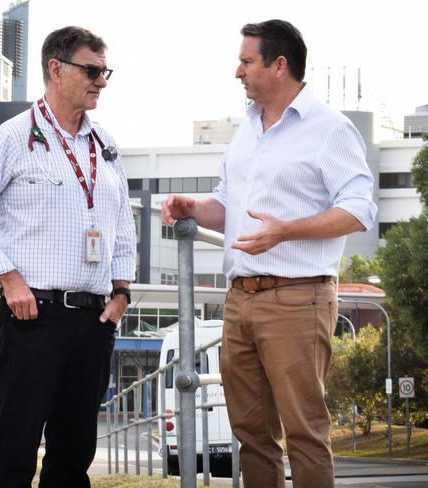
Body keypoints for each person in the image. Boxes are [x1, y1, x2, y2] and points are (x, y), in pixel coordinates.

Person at [162, 19, 376, 488]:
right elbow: (227, 204)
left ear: (279, 65)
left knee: (304, 433)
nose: (237, 71)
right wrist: (193, 207)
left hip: (299, 299)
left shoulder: (329, 129)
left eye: (246, 61)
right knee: (251, 435)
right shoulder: (247, 131)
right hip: (239, 301)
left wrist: (287, 232)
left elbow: (360, 210)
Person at [0, 26, 136, 488]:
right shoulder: (12, 138)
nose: (102, 82)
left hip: (94, 322)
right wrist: (9, 280)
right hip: (34, 317)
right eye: (92, 70)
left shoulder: (105, 147)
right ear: (56, 68)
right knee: (16, 449)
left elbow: (124, 227)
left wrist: (122, 293)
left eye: (104, 71)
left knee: (74, 455)